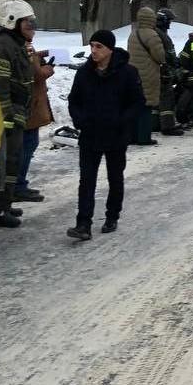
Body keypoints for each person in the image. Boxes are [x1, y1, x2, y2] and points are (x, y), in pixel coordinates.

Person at [66, 30, 145, 240]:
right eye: (92, 45)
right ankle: (83, 223)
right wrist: (80, 119)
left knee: (115, 177)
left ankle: (112, 215)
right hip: (90, 135)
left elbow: (137, 103)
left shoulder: (128, 73)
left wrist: (122, 121)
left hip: (116, 135)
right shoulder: (84, 73)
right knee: (87, 180)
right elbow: (74, 100)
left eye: (99, 46)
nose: (94, 50)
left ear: (110, 49)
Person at [0, 0, 36, 227]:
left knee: (12, 161)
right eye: (29, 23)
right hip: (6, 115)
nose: (33, 28)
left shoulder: (14, 44)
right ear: (12, 22)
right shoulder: (1, 46)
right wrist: (6, 116)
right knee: (5, 162)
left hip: (16, 112)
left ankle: (4, 204)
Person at [15, 27, 55, 203]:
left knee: (26, 144)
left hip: (28, 102)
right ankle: (18, 185)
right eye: (30, 27)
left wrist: (40, 55)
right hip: (31, 103)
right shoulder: (24, 47)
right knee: (28, 144)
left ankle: (18, 184)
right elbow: (35, 73)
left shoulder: (19, 45)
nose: (34, 31)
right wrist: (48, 68)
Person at [127, 5, 165, 146]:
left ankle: (132, 136)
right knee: (146, 108)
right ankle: (144, 137)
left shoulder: (133, 34)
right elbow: (160, 56)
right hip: (148, 75)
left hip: (133, 75)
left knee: (135, 107)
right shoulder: (152, 35)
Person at [154, 8, 185, 136]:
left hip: (150, 71)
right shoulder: (162, 36)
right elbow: (170, 55)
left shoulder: (149, 31)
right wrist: (178, 64)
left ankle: (155, 123)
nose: (170, 24)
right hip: (162, 72)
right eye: (169, 21)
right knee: (167, 98)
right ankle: (168, 126)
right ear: (163, 21)